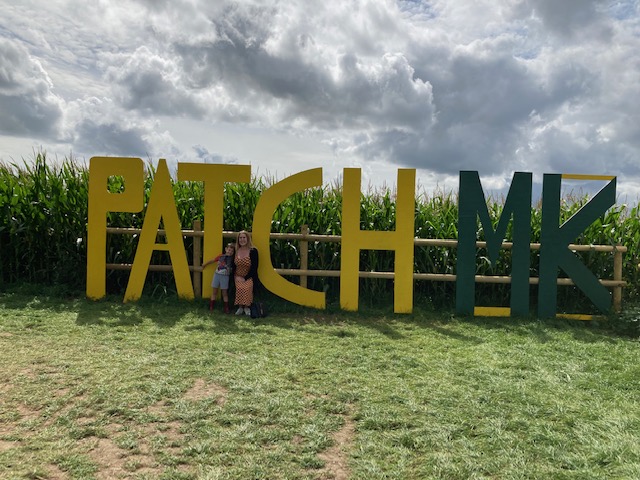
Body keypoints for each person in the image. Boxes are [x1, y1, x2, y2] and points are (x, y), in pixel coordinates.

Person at [203, 242, 235, 313]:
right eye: (229, 250)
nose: (230, 252)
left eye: (232, 251)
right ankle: (211, 306)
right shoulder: (221, 256)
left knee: (224, 293)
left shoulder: (232, 259)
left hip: (225, 276)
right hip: (217, 275)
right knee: (214, 291)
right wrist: (205, 264)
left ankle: (226, 308)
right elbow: (213, 260)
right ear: (226, 249)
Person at [233, 230, 259, 315]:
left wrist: (246, 277)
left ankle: (247, 307)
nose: (242, 240)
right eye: (240, 238)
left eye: (244, 238)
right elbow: (233, 265)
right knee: (240, 288)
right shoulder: (236, 250)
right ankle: (240, 307)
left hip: (249, 276)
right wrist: (236, 276)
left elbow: (254, 267)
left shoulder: (253, 251)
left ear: (247, 239)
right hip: (238, 275)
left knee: (247, 288)